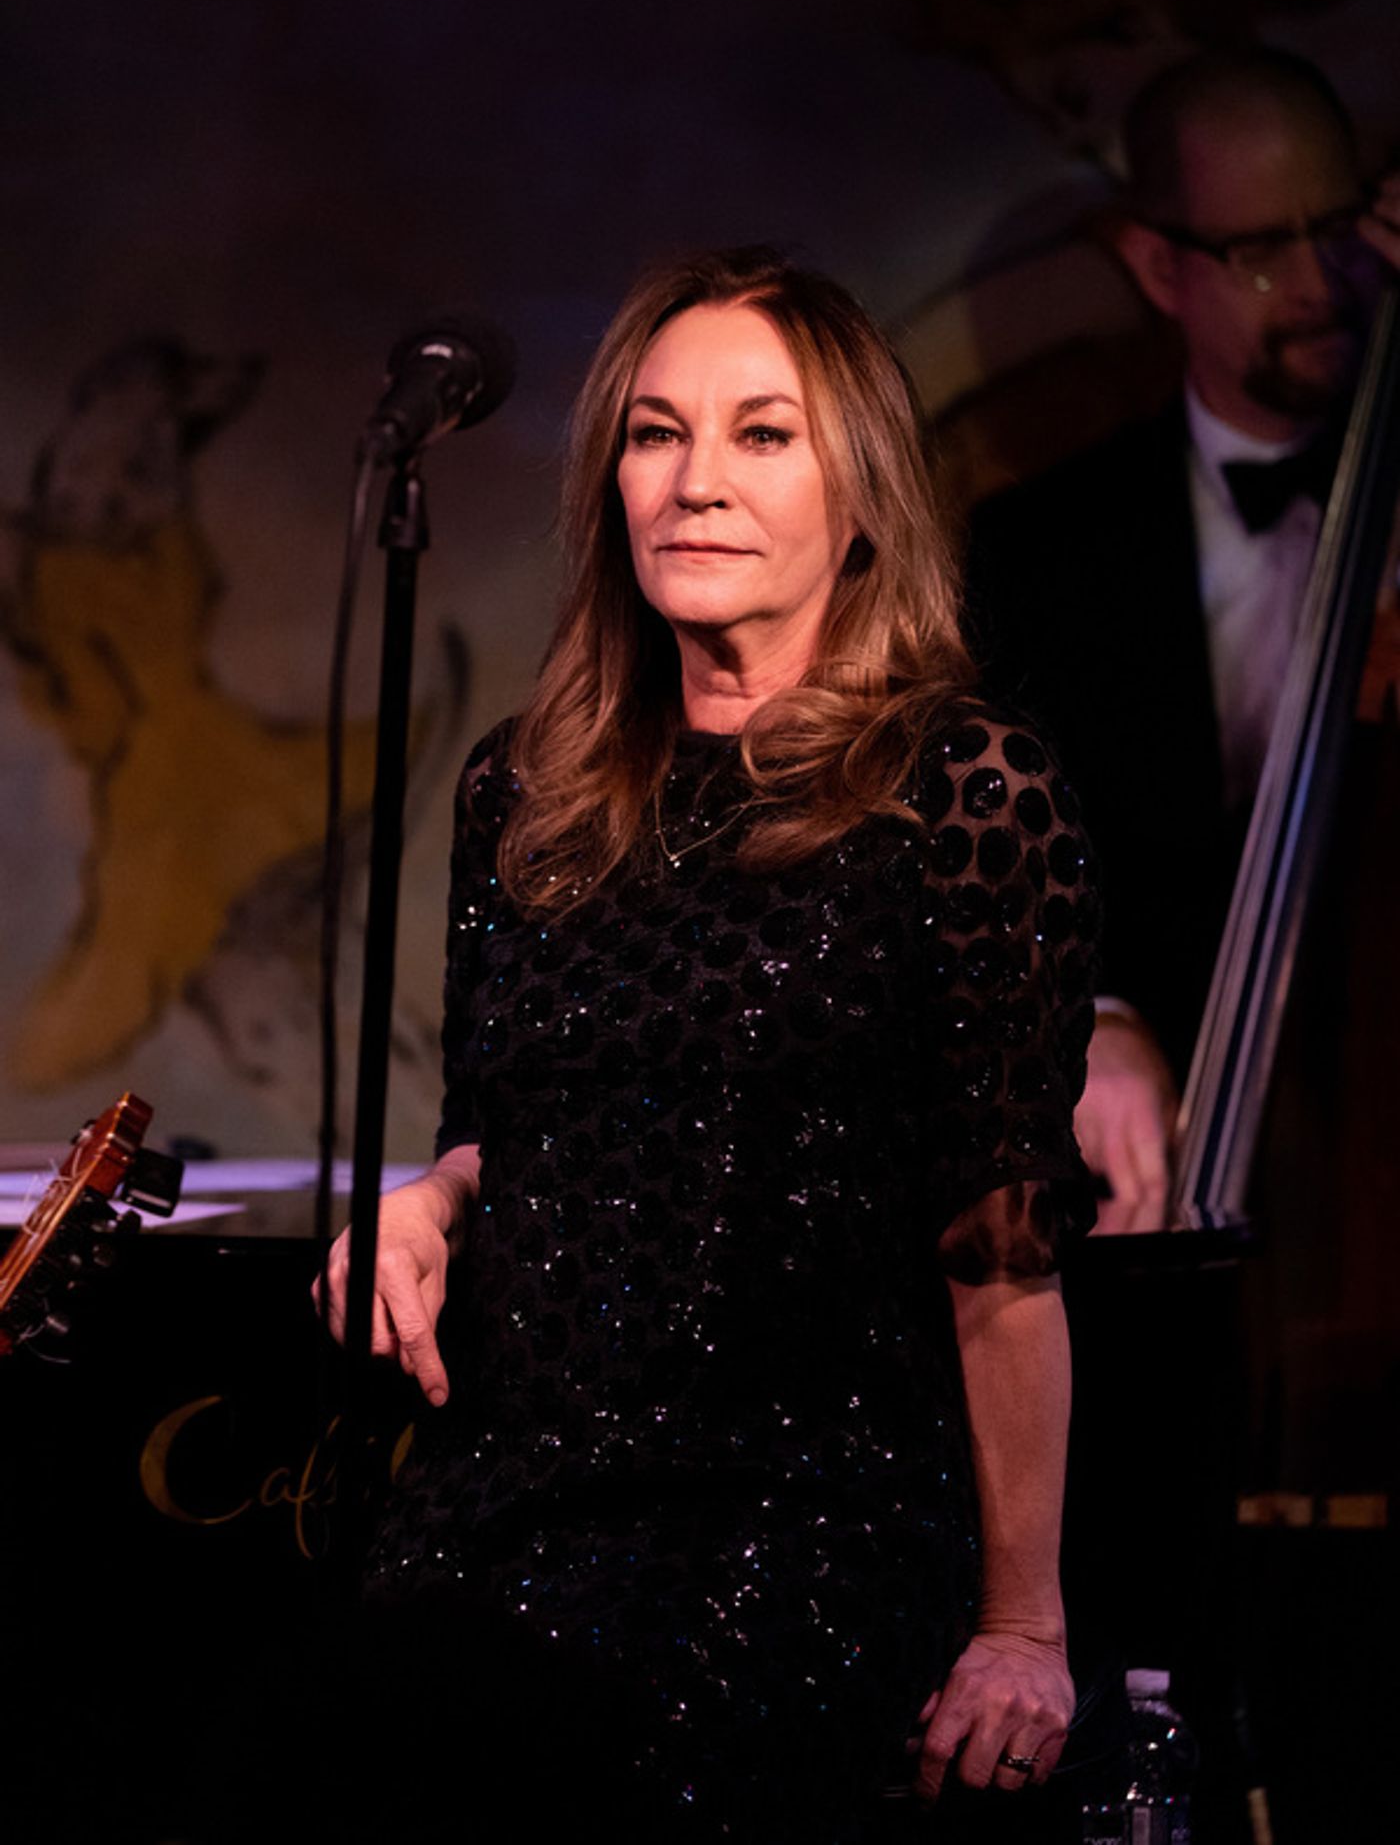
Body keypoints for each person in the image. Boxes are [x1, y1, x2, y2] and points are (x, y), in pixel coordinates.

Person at [319, 247, 1100, 1842]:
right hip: (524, 1480)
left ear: (862, 496)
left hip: (795, 1510)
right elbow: (510, 1128)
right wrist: (431, 1201)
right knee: (324, 1738)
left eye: (763, 435)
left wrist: (1024, 1629)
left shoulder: (961, 790)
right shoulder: (524, 794)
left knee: (583, 1760)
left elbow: (1003, 1260)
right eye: (656, 433)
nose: (695, 482)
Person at [964, 47, 1400, 1227]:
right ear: (1156, 266)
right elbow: (985, 867)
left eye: (1340, 227)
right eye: (1260, 253)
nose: (1322, 282)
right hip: (1170, 1201)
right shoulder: (1026, 554)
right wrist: (1092, 1014)